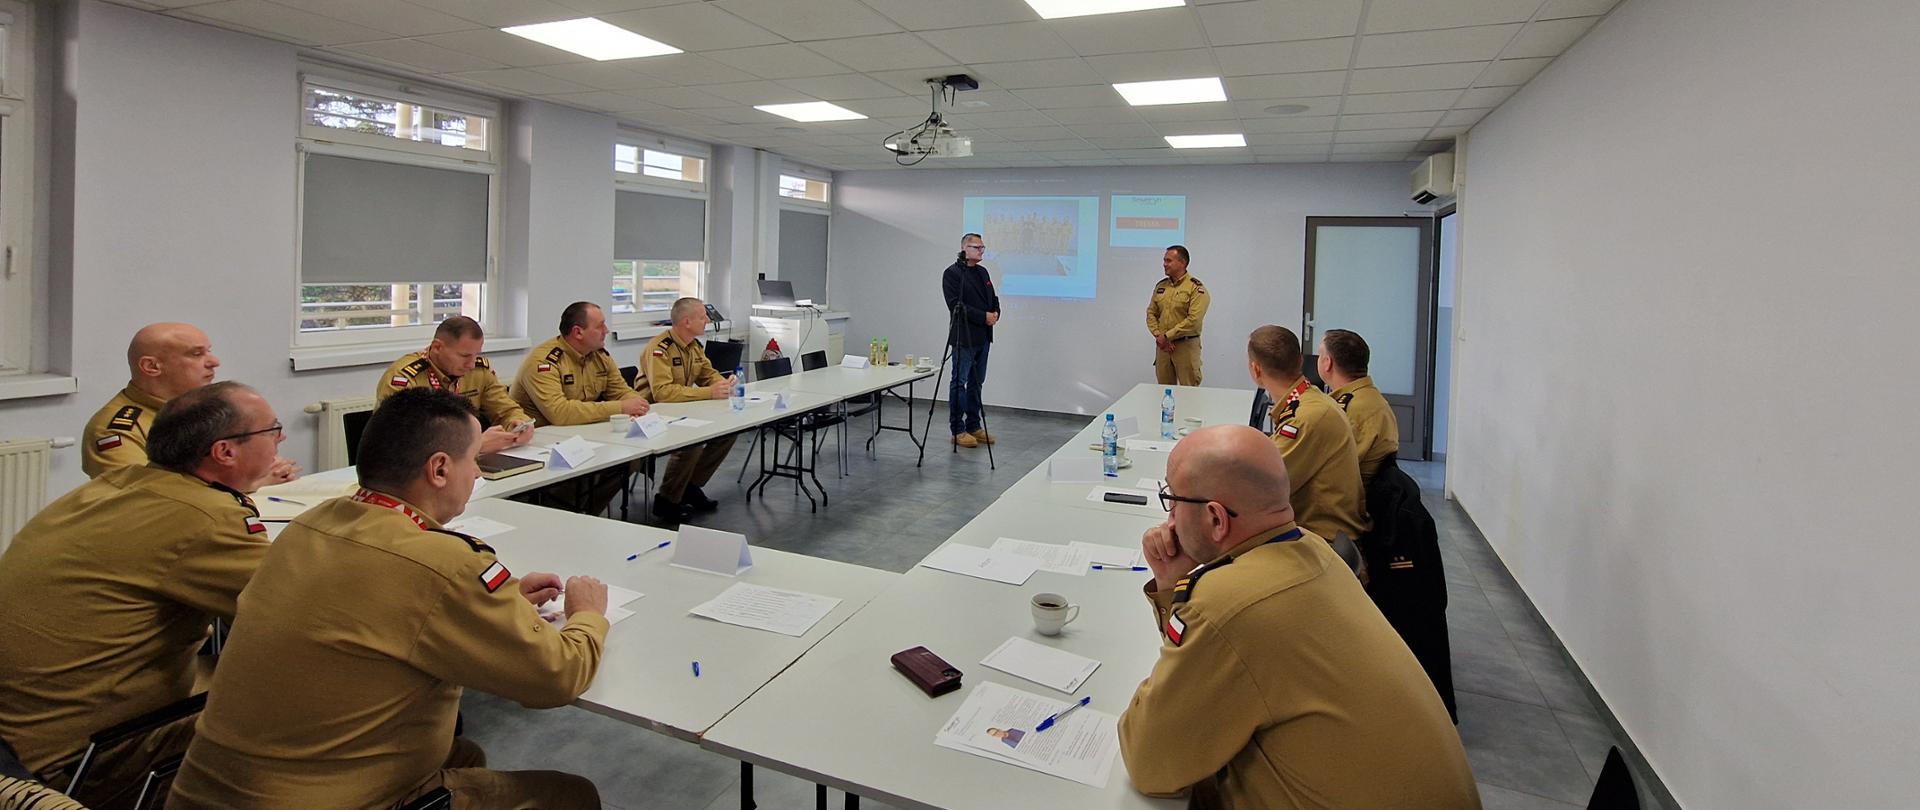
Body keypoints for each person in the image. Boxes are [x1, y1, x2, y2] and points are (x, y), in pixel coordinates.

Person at [168, 390, 609, 810]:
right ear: (439, 469)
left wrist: (503, 597)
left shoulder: (309, 524)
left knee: (463, 754)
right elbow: (557, 677)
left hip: (208, 787)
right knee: (571, 795)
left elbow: (381, 599)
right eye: (472, 461)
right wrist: (586, 615)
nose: (476, 473)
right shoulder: (444, 562)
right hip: (332, 798)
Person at [1119, 426, 1478, 809]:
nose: (1169, 519)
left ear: (1216, 519)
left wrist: (1175, 592)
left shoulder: (1228, 604)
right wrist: (1175, 582)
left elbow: (1150, 762)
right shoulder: (1315, 550)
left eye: (1172, 500)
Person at [0, 382, 281, 808]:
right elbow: (302, 615)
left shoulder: (118, 487)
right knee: (304, 714)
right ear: (225, 452)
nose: (281, 440)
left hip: (18, 730)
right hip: (75, 758)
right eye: (273, 431)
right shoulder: (206, 518)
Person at [82, 322, 298, 487]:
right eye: (196, 354)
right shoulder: (116, 429)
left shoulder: (204, 410)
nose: (214, 361)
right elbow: (145, 495)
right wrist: (252, 483)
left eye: (208, 350)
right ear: (152, 366)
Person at [509, 301, 650, 516]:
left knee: (631, 458)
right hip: (541, 444)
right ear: (578, 332)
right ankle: (557, 515)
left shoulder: (599, 356)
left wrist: (636, 404)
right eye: (600, 326)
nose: (606, 331)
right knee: (590, 464)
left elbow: (621, 390)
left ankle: (586, 513)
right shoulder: (544, 362)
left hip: (580, 435)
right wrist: (621, 407)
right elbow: (561, 413)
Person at [1247, 325, 1368, 545]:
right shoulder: (1308, 399)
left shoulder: (1307, 417)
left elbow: (1262, 486)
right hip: (1315, 531)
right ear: (1300, 361)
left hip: (1322, 541)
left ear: (1255, 370)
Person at [636, 297, 738, 523]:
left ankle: (690, 486)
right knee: (691, 442)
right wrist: (709, 393)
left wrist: (723, 383)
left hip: (681, 409)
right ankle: (667, 499)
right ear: (686, 321)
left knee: (728, 433)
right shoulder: (659, 349)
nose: (707, 321)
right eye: (702, 317)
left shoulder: (694, 346)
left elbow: (706, 374)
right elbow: (663, 393)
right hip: (652, 415)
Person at [376, 315, 534, 457]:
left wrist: (519, 424)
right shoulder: (406, 379)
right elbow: (402, 441)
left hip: (467, 464)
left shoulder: (478, 372)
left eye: (476, 355)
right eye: (464, 356)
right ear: (437, 347)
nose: (471, 364)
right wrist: (474, 445)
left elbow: (506, 410)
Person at [1318, 329, 1401, 485]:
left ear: (1327, 363)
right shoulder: (1368, 398)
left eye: (1320, 355)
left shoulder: (1351, 411)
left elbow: (1327, 470)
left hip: (1347, 501)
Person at [942, 233, 999, 448]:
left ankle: (974, 425)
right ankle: (957, 429)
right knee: (960, 382)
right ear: (965, 248)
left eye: (983, 247)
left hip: (983, 337)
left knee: (977, 382)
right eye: (977, 247)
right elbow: (955, 305)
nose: (981, 251)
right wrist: (983, 316)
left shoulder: (983, 272)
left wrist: (995, 313)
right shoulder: (953, 274)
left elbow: (993, 298)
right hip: (963, 337)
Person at [1145, 245, 1209, 386]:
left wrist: (1167, 336)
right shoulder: (1161, 286)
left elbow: (1194, 320)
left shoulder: (1195, 288)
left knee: (1189, 394)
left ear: (1182, 263)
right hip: (1163, 348)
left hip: (1185, 348)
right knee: (1164, 392)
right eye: (1164, 260)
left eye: (1168, 261)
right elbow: (1151, 313)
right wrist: (1158, 335)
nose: (1164, 264)